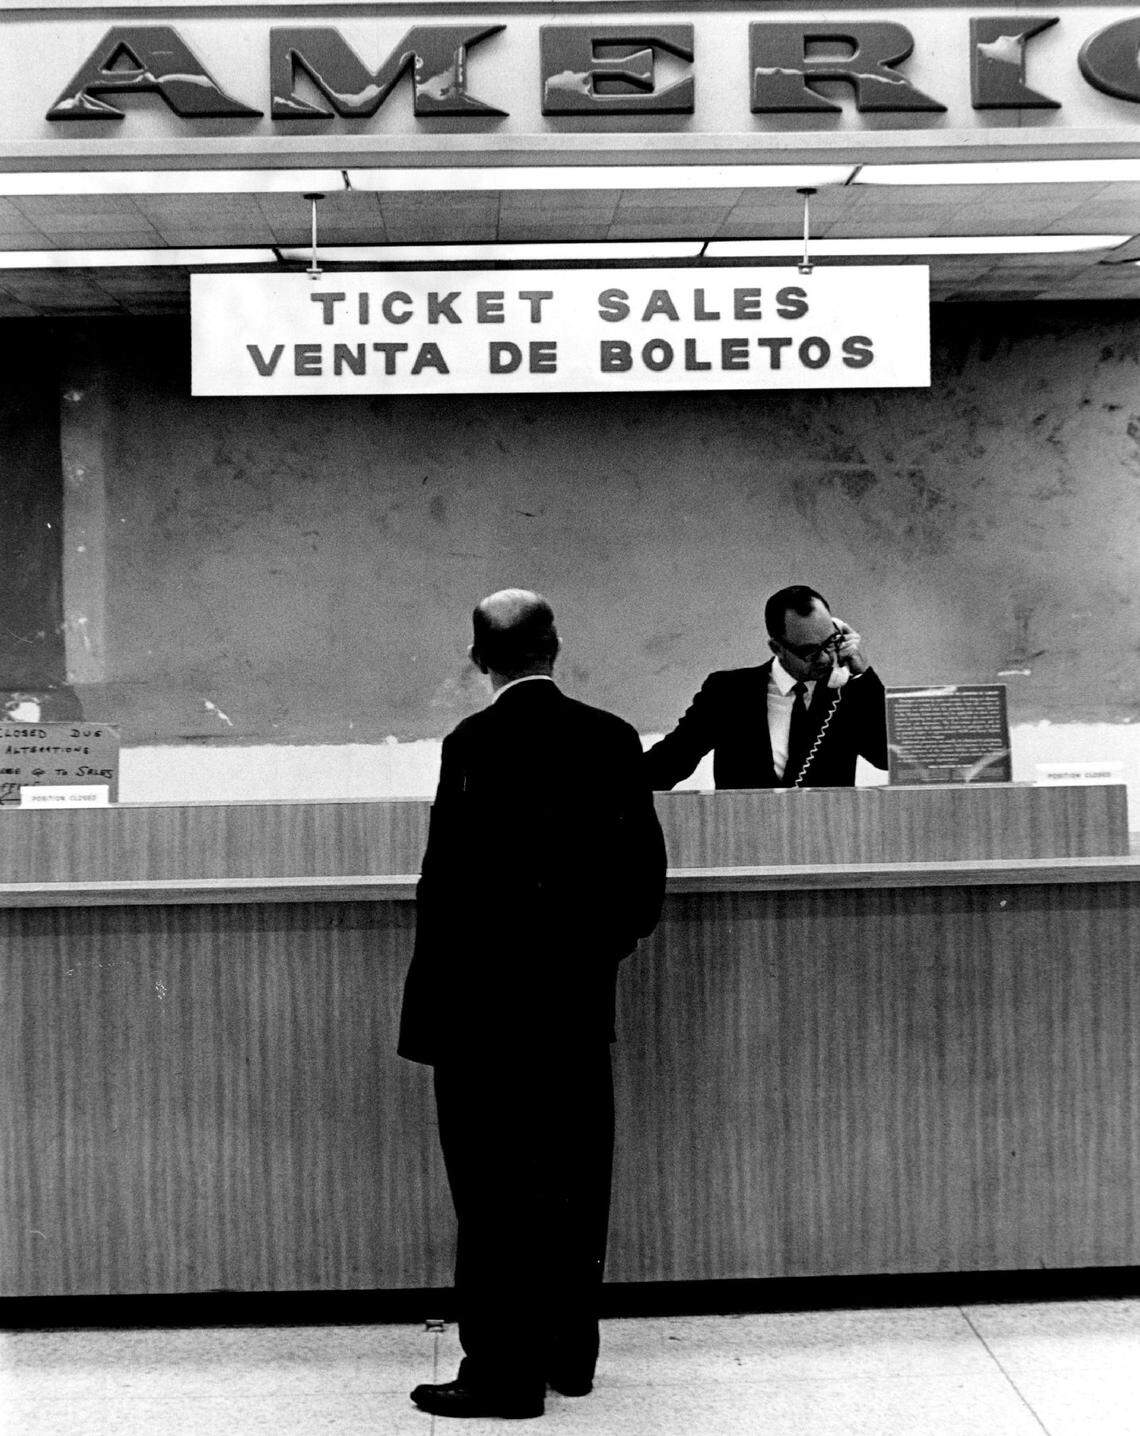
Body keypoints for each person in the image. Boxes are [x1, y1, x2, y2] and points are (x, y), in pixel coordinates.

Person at [398, 588, 667, 1421]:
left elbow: (446, 888)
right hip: (576, 1007)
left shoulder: (472, 742)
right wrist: (592, 960)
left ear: (480, 660)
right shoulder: (613, 737)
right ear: (557, 646)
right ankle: (570, 1356)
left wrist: (435, 1013)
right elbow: (643, 884)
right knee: (575, 1179)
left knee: (492, 1193)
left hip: (483, 1013)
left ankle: (502, 1376)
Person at [643, 585, 888, 790]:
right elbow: (671, 762)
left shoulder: (847, 694)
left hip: (826, 837)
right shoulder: (728, 693)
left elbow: (886, 757)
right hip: (744, 837)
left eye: (831, 642)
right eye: (810, 651)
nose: (825, 658)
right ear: (777, 648)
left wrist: (863, 675)